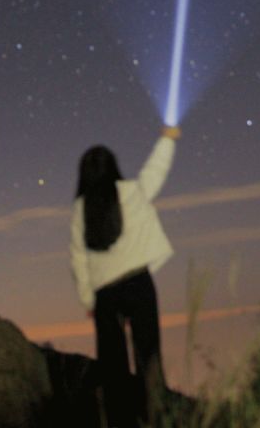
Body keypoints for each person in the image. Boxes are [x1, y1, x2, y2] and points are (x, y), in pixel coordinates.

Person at [70, 124, 181, 428]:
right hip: (138, 283)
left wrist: (88, 298)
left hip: (106, 294)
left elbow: (78, 258)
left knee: (113, 367)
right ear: (113, 166)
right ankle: (156, 418)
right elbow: (154, 171)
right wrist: (167, 140)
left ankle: (121, 422)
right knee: (149, 358)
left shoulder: (81, 209)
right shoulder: (130, 192)